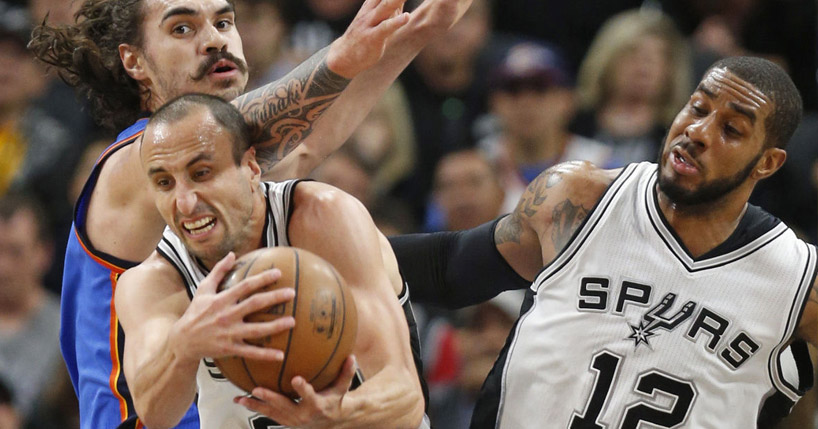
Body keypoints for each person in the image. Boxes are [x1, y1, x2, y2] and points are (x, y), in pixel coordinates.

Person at [27, 0, 472, 427]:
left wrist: (421, 28)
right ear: (134, 61)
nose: (213, 40)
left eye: (223, 22)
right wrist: (340, 57)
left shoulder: (235, 174)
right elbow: (239, 126)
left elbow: (311, 141)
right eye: (182, 28)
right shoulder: (132, 162)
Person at [390, 56, 818, 427]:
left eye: (731, 129)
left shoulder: (797, 280)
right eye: (698, 108)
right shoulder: (580, 199)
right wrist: (352, 240)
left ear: (767, 163)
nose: (699, 132)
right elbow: (449, 268)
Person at [116, 93, 427, 428]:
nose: (185, 203)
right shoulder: (151, 282)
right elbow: (155, 414)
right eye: (164, 183)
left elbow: (405, 398)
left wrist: (338, 415)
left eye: (202, 173)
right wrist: (184, 344)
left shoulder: (325, 219)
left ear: (251, 168)